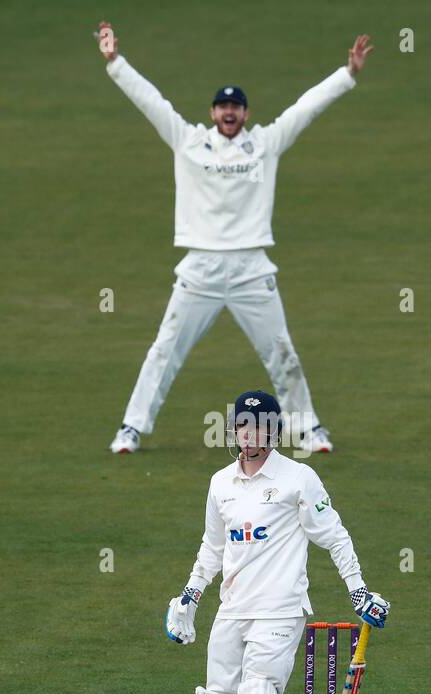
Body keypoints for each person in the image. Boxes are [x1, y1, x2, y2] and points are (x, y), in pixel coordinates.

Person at [96, 21, 373, 456]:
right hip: (200, 268)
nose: (228, 113)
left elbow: (304, 109)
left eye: (236, 107)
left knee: (283, 353)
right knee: (164, 351)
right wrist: (115, 63)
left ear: (245, 113)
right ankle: (131, 429)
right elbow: (151, 101)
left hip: (251, 269)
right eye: (222, 107)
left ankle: (309, 429)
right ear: (213, 113)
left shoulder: (265, 144)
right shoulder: (188, 142)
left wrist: (347, 74)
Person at [165, 389, 389, 694]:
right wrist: (188, 597)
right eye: (242, 426)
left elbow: (335, 536)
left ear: (273, 431)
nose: (249, 435)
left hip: (281, 611)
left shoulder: (298, 478)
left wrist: (359, 590)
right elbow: (213, 547)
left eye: (259, 426)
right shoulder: (220, 483)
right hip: (233, 611)